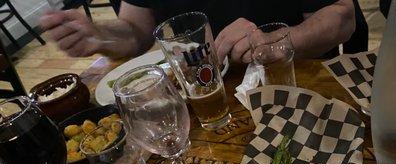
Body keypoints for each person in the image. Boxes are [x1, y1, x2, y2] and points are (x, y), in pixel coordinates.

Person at [40, 0, 368, 64]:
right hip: (202, 92)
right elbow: (136, 31)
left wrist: (275, 42)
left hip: (290, 82)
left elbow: (342, 18)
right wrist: (101, 36)